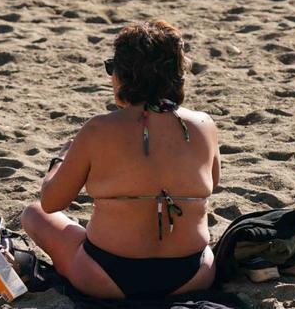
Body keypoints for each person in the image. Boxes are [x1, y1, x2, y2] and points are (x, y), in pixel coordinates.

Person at [21, 20, 220, 299]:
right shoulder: (204, 124)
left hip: (107, 276)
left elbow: (52, 202)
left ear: (125, 74)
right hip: (193, 275)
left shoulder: (99, 129)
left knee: (34, 213)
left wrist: (59, 161)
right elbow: (214, 181)